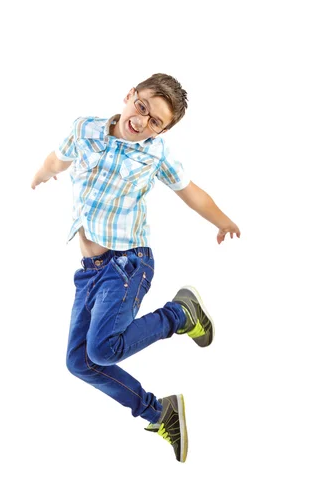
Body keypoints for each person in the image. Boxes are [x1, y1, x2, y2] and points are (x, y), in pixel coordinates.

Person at [31, 73, 240, 463]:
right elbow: (56, 158)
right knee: (80, 362)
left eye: (155, 121)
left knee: (103, 350)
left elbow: (190, 192)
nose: (142, 121)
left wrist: (222, 220)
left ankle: (179, 314)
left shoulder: (154, 154)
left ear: (162, 130)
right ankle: (161, 413)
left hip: (129, 264)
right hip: (89, 271)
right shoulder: (86, 129)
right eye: (141, 107)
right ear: (130, 95)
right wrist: (41, 176)